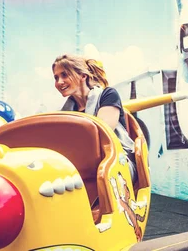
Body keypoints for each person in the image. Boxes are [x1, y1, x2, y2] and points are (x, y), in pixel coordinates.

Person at [52, 54, 137, 182]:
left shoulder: (107, 95)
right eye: (56, 77)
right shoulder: (64, 113)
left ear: (83, 76)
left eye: (64, 75)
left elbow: (103, 133)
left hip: (116, 160)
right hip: (82, 164)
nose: (59, 82)